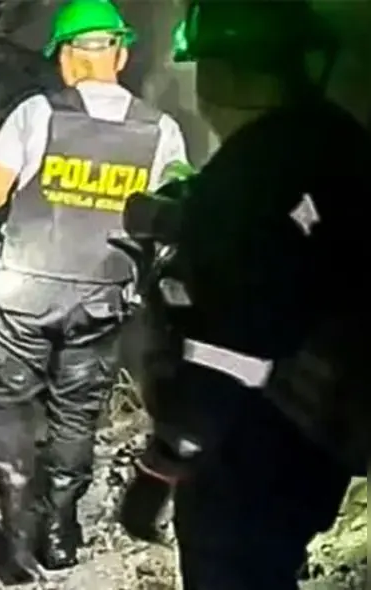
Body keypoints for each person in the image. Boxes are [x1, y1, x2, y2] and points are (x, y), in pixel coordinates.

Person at [117, 2, 370, 589]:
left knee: (230, 571)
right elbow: (294, 245)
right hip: (316, 439)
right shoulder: (333, 142)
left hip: (253, 440)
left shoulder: (256, 166)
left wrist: (163, 462)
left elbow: (233, 339)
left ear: (225, 74)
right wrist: (188, 215)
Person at [0, 0, 189, 579]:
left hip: (28, 293)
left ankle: (16, 535)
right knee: (76, 411)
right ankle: (61, 531)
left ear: (66, 59)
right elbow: (171, 219)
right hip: (102, 293)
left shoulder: (38, 112)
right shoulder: (160, 130)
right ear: (119, 53)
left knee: (11, 403)